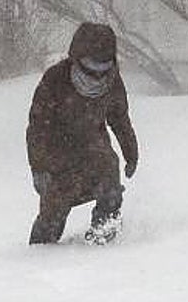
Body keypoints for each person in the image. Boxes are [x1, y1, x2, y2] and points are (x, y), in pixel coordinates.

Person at [26, 22, 139, 245]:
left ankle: (104, 234)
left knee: (109, 179)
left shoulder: (112, 81)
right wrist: (38, 168)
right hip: (57, 155)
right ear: (77, 59)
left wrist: (131, 153)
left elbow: (119, 118)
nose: (97, 75)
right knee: (53, 212)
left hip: (95, 149)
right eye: (90, 67)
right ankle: (40, 252)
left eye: (103, 68)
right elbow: (37, 128)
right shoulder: (55, 79)